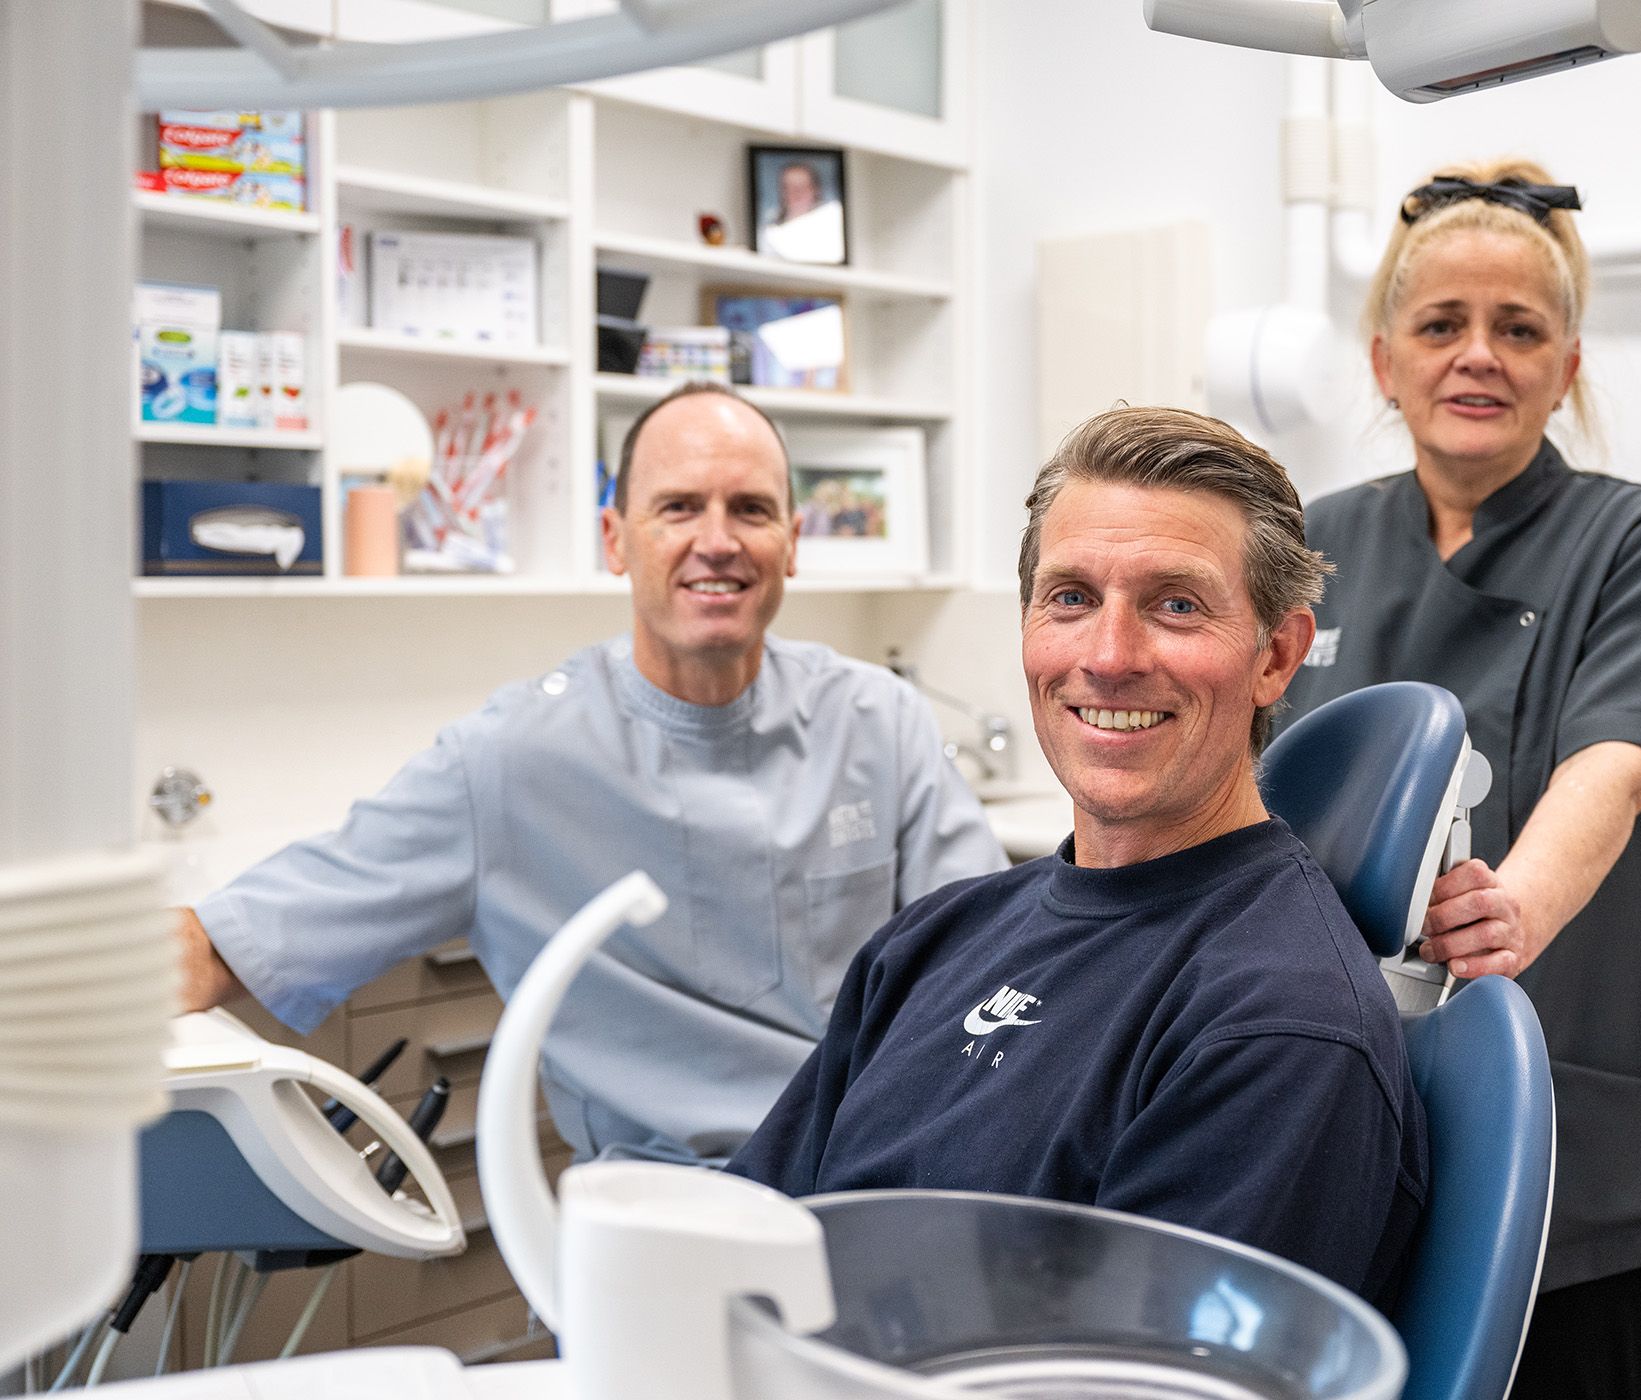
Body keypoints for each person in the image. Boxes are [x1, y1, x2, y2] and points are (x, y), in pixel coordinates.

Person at [175, 381, 1007, 1164]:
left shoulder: (878, 722)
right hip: (660, 1211)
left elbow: (999, 970)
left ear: (792, 543)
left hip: (868, 1176)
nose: (716, 542)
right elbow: (229, 945)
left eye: (750, 510)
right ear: (616, 539)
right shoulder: (509, 764)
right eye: (678, 508)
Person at [729, 406, 1428, 1308]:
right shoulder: (935, 940)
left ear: (1276, 656)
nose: (1108, 655)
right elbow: (748, 1239)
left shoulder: (1281, 1026)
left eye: (1176, 605)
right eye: (1072, 598)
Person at [1275, 160, 1641, 1398]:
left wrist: (1514, 906)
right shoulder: (1310, 542)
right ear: (1385, 361)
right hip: (1337, 1109)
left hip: (1572, 1112)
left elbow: (1621, 758)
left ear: (1567, 367)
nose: (1478, 354)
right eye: (1441, 324)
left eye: (1518, 328)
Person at [758, 159, 845, 264]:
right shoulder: (766, 230)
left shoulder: (832, 223)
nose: (796, 193)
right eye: (789, 187)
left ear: (815, 190)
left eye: (803, 186)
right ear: (781, 191)